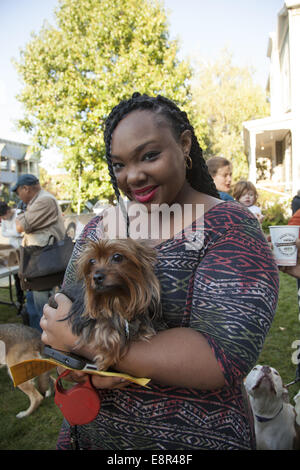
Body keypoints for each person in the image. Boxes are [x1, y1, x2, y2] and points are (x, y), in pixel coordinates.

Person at [40, 93, 279, 450]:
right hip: (90, 436)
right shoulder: (99, 227)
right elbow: (63, 313)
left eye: (149, 155)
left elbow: (222, 358)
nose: (133, 176)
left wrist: (87, 344)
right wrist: (76, 365)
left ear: (184, 144)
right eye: (119, 164)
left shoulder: (229, 227)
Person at [13, 174, 65, 331]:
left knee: (43, 308)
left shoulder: (44, 200)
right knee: (34, 305)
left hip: (44, 263)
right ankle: (38, 338)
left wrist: (19, 214)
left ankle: (46, 343)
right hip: (39, 260)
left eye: (18, 192)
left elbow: (19, 227)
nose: (18, 196)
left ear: (26, 188)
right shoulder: (37, 201)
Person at [0, 201, 24, 310]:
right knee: (16, 278)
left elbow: (20, 232)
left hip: (23, 249)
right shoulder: (5, 220)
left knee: (24, 276)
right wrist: (14, 232)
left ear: (8, 211)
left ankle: (25, 302)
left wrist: (14, 232)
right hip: (13, 249)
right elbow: (4, 233)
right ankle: (20, 301)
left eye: (3, 216)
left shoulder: (19, 214)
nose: (3, 220)